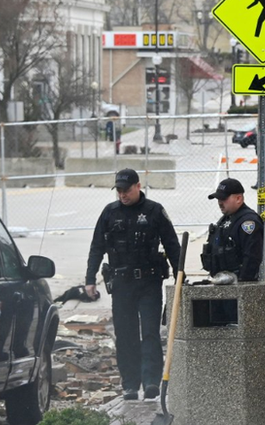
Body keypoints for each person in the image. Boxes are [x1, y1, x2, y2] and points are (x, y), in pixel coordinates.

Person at [85, 169, 180, 401]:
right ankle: (130, 384)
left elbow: (172, 244)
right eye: (118, 190)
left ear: (138, 186)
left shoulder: (154, 211)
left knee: (150, 332)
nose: (122, 195)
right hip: (121, 284)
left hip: (149, 282)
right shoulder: (110, 213)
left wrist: (180, 277)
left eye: (126, 190)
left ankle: (150, 382)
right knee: (125, 334)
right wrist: (89, 279)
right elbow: (97, 247)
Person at [202, 178, 265, 282]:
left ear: (238, 199)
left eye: (224, 199)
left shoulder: (248, 222)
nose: (220, 203)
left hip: (237, 285)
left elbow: (252, 257)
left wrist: (242, 284)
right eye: (218, 199)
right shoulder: (226, 219)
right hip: (221, 282)